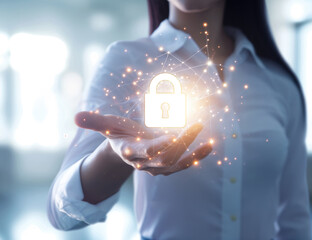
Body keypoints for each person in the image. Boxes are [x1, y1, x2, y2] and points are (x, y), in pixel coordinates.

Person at [48, 0, 312, 239]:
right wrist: (113, 155)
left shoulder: (279, 84)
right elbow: (61, 215)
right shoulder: (125, 62)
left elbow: (295, 217)